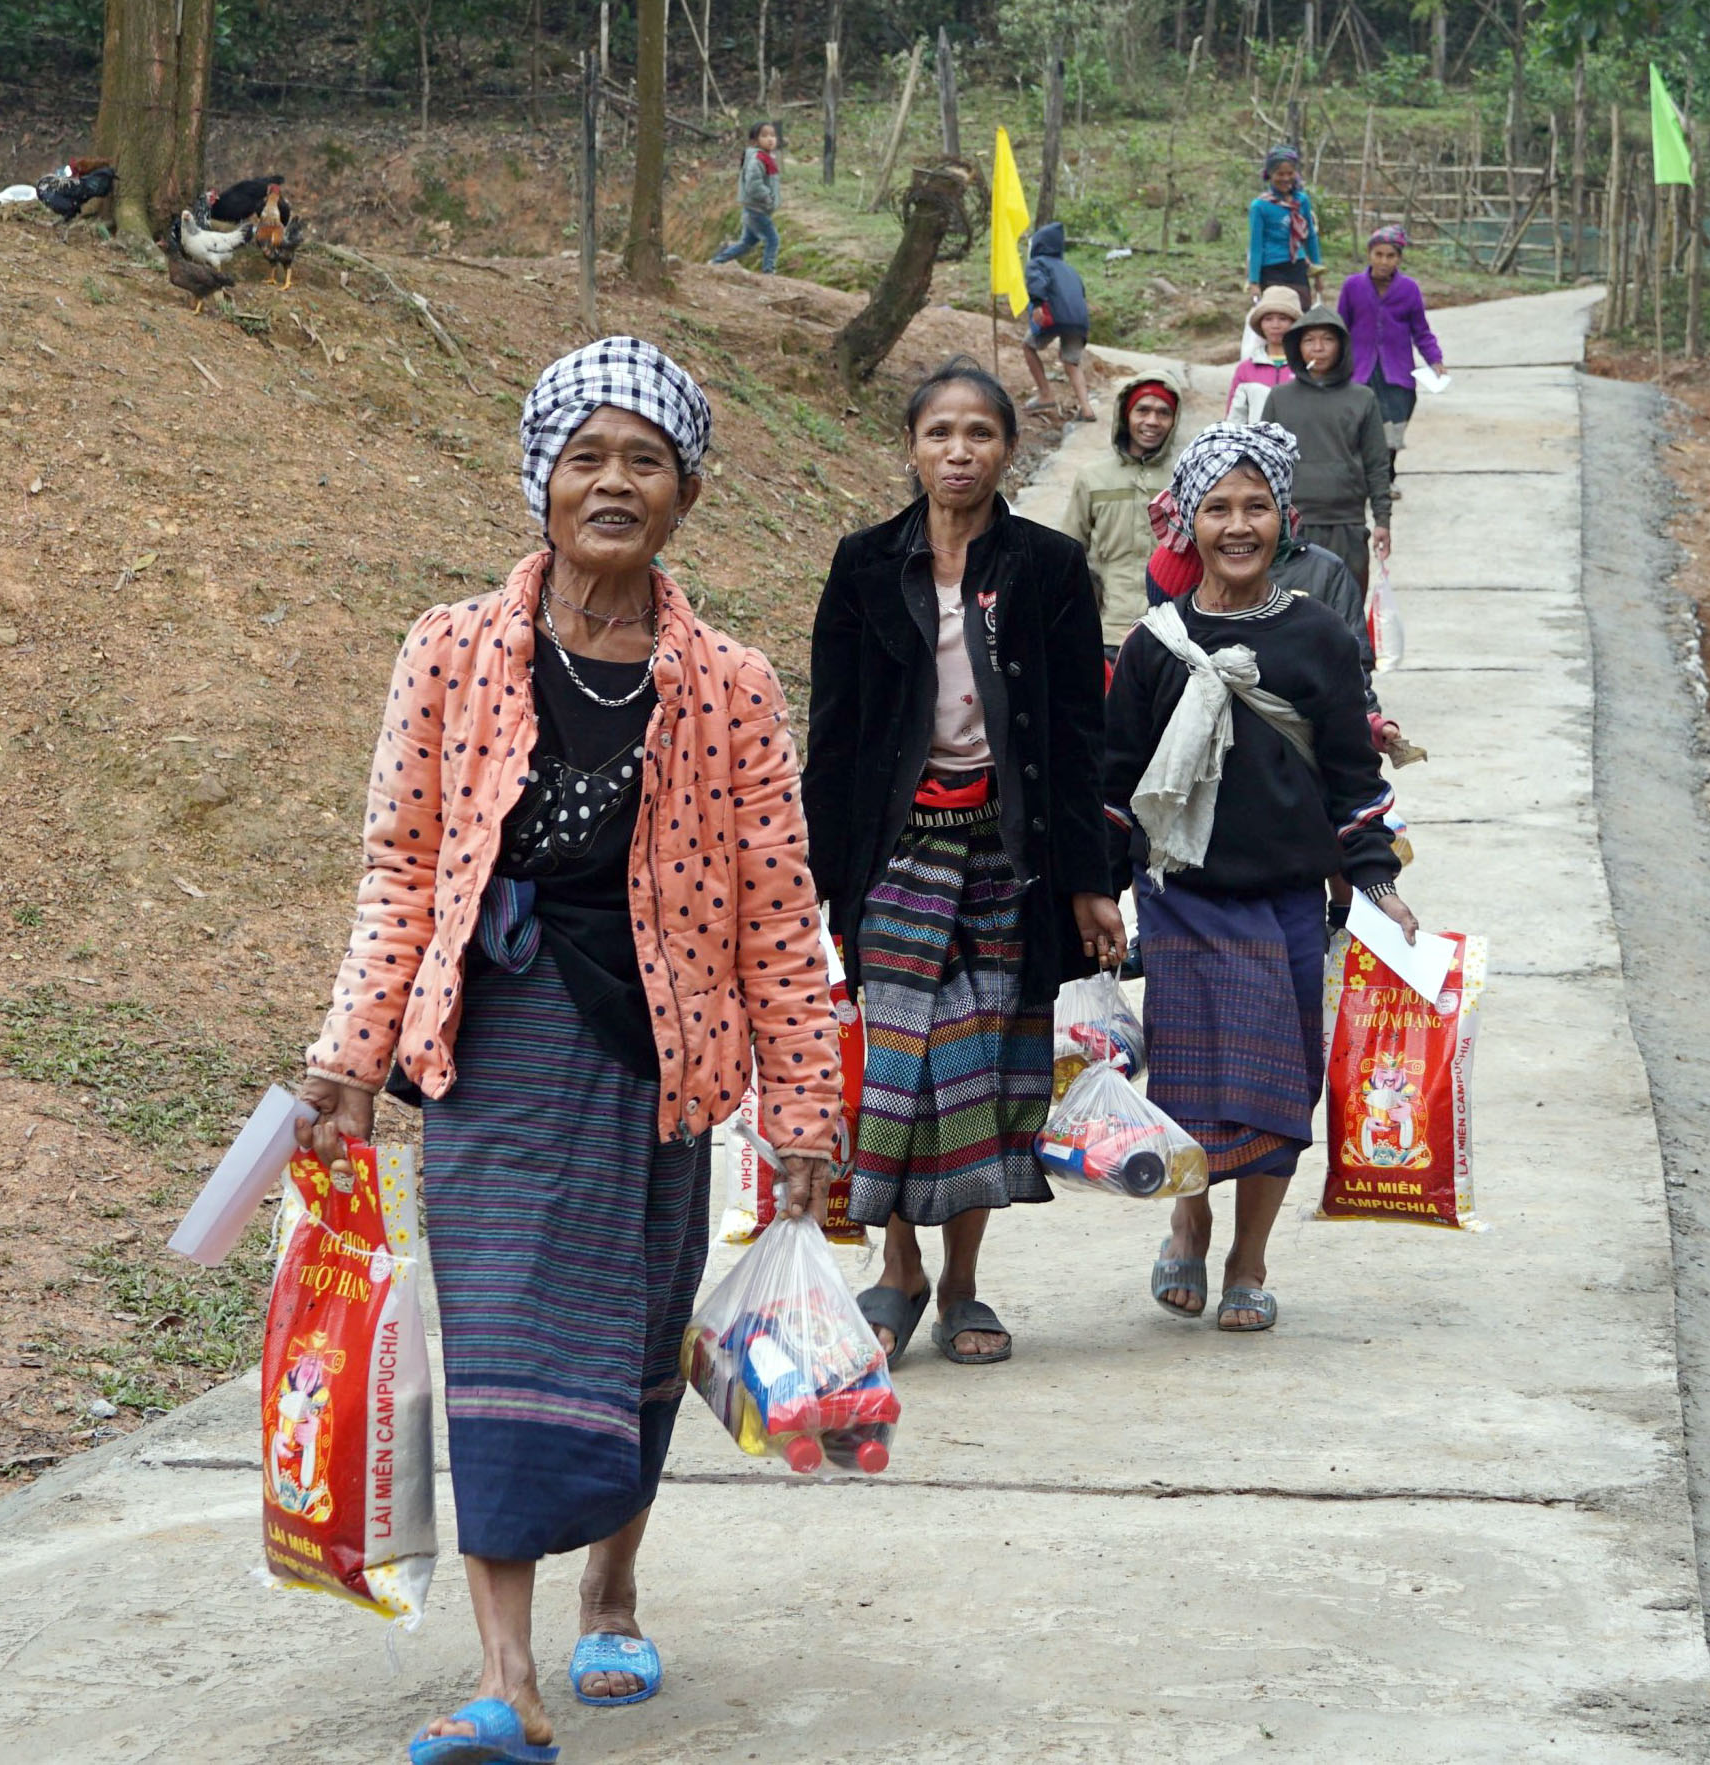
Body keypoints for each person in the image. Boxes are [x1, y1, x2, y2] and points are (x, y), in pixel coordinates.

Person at [296, 336, 849, 1762]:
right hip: (491, 1046)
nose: (613, 482)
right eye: (585, 456)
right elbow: (401, 869)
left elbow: (779, 905)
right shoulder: (451, 648)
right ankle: (507, 1681)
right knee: (502, 1342)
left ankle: (611, 1585)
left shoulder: (726, 683)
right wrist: (349, 1052)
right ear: (540, 480)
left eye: (644, 460)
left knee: (632, 1343)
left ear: (686, 494)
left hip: (659, 1050)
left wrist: (804, 1103)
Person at [805, 358, 1124, 1369]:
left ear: (1005, 449)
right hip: (894, 858)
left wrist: (1089, 877)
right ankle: (895, 1268)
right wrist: (812, 884)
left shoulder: (1047, 569)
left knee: (978, 1075)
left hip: (1006, 857)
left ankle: (962, 1286)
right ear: (910, 447)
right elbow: (837, 735)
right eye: (939, 432)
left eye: (978, 433)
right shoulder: (864, 566)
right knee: (898, 1072)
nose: (958, 450)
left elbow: (1079, 736)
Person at [1103, 423, 1417, 1333]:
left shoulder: (1318, 637)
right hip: (1182, 899)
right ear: (1185, 522)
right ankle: (1190, 1224)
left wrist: (1374, 880)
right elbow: (1117, 781)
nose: (1236, 525)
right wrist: (1094, 893)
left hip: (1284, 899)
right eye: (1216, 508)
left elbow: (1352, 779)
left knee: (1281, 1091)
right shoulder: (1154, 645)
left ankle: (1250, 1258)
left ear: (1283, 517)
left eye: (1254, 507)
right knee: (1193, 1092)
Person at [1266, 306, 1394, 605]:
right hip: (1291, 527)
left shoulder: (1362, 398)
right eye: (1309, 340)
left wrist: (1383, 519)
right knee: (1288, 614)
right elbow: (1263, 465)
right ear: (1297, 346)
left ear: (1343, 346)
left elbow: (1377, 464)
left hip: (1346, 526)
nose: (1318, 348)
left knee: (1345, 614)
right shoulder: (1279, 398)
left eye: (1327, 339)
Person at [1055, 373, 1182, 652]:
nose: (1152, 421)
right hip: (1106, 630)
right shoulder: (1092, 477)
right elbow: (1066, 554)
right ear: (1126, 415)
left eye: (1163, 413)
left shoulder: (1185, 479)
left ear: (1174, 421)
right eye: (1143, 410)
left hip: (1174, 632)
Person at [1334, 225, 1443, 469]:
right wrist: (1333, 363)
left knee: (1394, 426)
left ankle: (1386, 478)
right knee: (1362, 426)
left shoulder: (1409, 289)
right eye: (1378, 255)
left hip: (1397, 373)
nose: (1384, 261)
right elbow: (1340, 327)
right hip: (1361, 371)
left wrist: (1434, 360)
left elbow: (1421, 331)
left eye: (1390, 256)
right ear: (1369, 255)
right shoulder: (1352, 286)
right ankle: (1362, 478)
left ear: (1399, 258)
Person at [1016, 220, 1099, 421]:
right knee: (1072, 362)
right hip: (1079, 321)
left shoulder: (1038, 263)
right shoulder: (1070, 270)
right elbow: (1081, 293)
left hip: (1053, 315)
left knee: (1028, 346)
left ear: (1038, 244)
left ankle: (1045, 395)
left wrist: (1037, 304)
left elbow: (1036, 281)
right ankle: (1086, 408)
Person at [1245, 145, 1320, 308]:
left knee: (1301, 315)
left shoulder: (1301, 200)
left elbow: (1310, 237)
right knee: (1276, 317)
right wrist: (1254, 282)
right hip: (1271, 269)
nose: (1286, 178)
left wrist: (1318, 271)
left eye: (1290, 173)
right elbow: (1255, 245)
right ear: (1269, 174)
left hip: (1297, 267)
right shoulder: (1260, 206)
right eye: (1280, 174)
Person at [707, 121, 783, 273]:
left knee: (746, 243)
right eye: (765, 135)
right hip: (757, 210)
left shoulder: (766, 158)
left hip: (753, 209)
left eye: (773, 135)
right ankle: (768, 271)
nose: (770, 139)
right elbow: (753, 185)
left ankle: (717, 262)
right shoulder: (757, 160)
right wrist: (768, 197)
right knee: (773, 240)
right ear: (755, 140)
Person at [1226, 284, 1304, 424]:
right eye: (1268, 319)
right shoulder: (1246, 369)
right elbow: (1234, 419)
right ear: (1260, 324)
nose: (1275, 325)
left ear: (1295, 324)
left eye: (1283, 319)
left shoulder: (1306, 366)